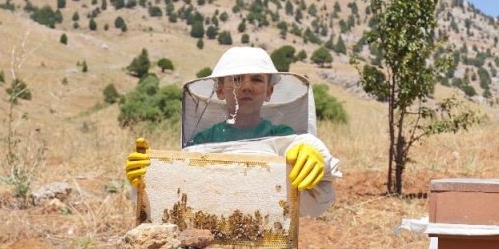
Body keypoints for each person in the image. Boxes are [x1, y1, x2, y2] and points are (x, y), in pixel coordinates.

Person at [125, 46, 341, 216]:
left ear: (269, 91)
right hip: (206, 243)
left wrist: (318, 159)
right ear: (220, 89)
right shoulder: (203, 140)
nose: (246, 86)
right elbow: (177, 197)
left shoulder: (285, 137)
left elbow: (314, 205)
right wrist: (149, 180)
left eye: (256, 79)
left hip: (265, 247)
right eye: (236, 79)